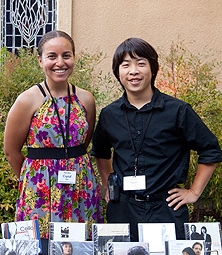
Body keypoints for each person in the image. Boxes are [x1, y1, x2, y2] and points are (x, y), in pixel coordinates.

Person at [91, 37, 222, 242]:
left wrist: (194, 192)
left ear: (153, 68)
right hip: (123, 209)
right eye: (126, 65)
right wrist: (109, 185)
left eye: (141, 63)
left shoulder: (178, 110)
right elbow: (100, 152)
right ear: (118, 72)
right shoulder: (110, 114)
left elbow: (210, 150)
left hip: (166, 208)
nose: (133, 71)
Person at [4, 30, 104, 254]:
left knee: (80, 245)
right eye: (52, 56)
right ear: (40, 60)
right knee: (41, 247)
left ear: (74, 58)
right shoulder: (27, 100)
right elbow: (11, 151)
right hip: (39, 188)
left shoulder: (86, 99)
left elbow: (83, 143)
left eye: (66, 55)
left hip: (80, 185)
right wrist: (34, 179)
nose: (60, 62)